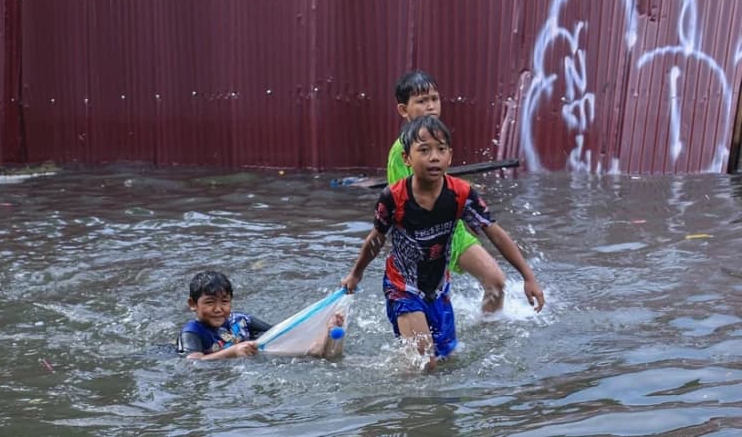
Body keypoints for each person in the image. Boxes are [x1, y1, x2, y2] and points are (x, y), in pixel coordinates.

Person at [341, 115, 543, 370]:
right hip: (402, 286)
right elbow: (376, 239)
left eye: (441, 149)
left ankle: (362, 364)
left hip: (437, 289)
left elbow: (494, 232)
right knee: (424, 362)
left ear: (450, 156)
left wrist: (528, 276)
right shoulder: (393, 198)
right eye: (424, 150)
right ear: (407, 158)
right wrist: (355, 274)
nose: (433, 157)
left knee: (448, 359)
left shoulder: (462, 194)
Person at [386, 70, 545, 314]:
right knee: (430, 309)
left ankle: (486, 332)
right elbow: (416, 199)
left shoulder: (438, 137)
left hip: (453, 232)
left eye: (434, 99)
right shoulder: (402, 152)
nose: (430, 106)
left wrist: (461, 193)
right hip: (423, 242)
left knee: (496, 283)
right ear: (403, 110)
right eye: (421, 101)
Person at [177, 270, 345, 360]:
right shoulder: (192, 331)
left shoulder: (241, 320)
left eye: (224, 301)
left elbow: (280, 334)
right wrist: (233, 352)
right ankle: (317, 349)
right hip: (227, 359)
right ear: (193, 304)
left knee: (309, 352)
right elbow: (194, 362)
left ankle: (325, 334)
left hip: (247, 354)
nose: (218, 308)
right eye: (209, 302)